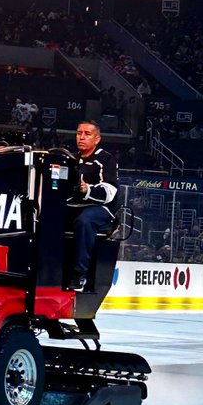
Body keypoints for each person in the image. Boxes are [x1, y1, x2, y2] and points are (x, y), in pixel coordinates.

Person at [69, 120, 120, 291]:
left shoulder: (106, 159)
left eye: (87, 134)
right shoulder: (71, 158)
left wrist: (87, 189)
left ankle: (80, 274)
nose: (81, 137)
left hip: (101, 208)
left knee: (85, 221)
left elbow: (110, 191)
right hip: (73, 206)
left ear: (97, 139)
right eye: (79, 133)